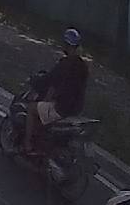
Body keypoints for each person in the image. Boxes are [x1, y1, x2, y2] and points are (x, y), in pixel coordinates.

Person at [23, 28, 89, 156]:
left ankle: (28, 145)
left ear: (66, 45)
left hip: (62, 108)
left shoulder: (64, 64)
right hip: (76, 109)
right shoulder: (83, 66)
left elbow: (49, 81)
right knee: (44, 108)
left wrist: (34, 81)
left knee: (31, 109)